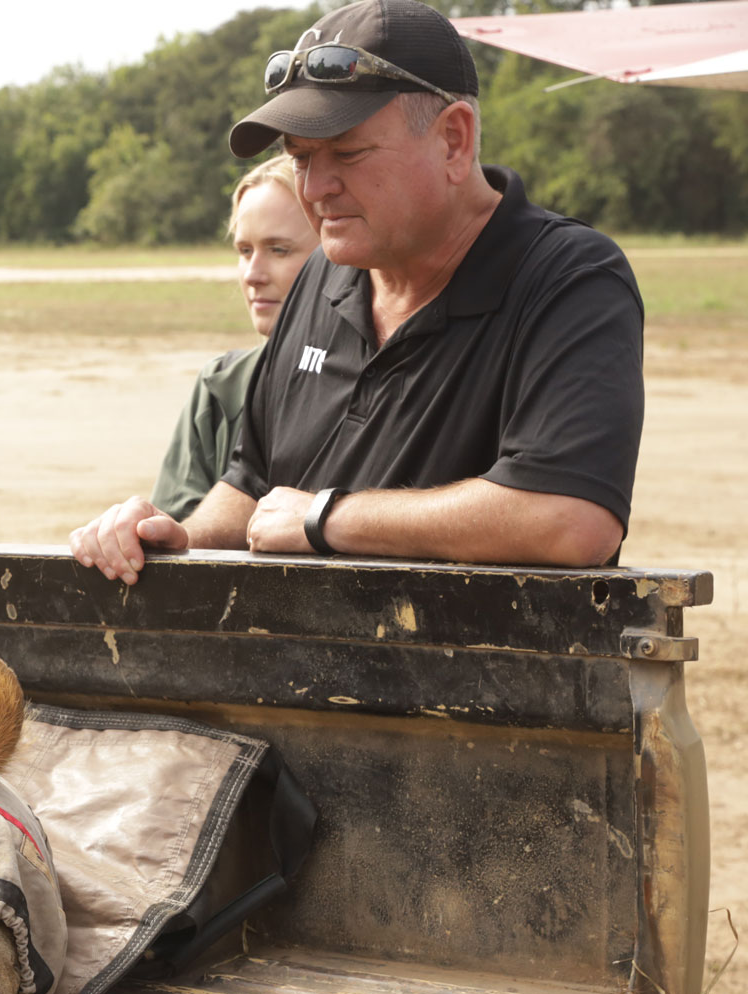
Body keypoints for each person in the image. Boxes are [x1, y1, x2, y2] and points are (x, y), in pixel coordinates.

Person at [72, 0, 643, 585]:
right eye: (299, 158)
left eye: (347, 152)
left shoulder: (568, 278)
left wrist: (327, 516)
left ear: (453, 140)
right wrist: (181, 536)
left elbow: (571, 520)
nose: (316, 188)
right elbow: (252, 483)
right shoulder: (321, 274)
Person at [152, 155, 320, 520]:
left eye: (279, 250)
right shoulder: (222, 386)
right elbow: (178, 536)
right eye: (245, 251)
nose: (253, 274)